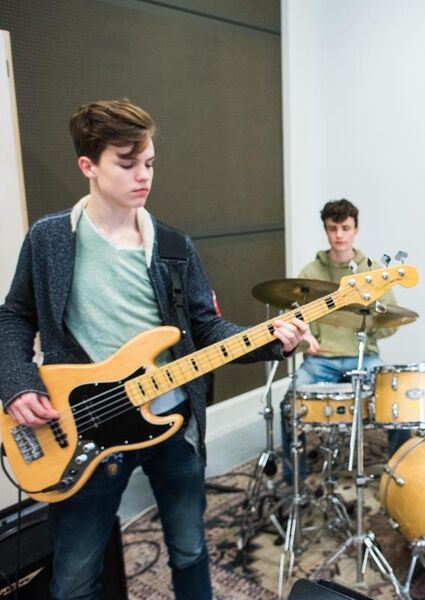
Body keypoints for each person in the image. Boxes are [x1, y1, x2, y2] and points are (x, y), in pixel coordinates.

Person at [0, 99, 307, 600]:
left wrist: (268, 339)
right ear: (88, 166)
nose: (143, 176)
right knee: (74, 578)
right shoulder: (49, 240)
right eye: (127, 163)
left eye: (148, 163)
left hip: (172, 425)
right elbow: (13, 316)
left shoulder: (173, 246)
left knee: (189, 550)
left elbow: (206, 329)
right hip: (83, 430)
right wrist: (17, 383)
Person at [280, 199, 408, 483]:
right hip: (320, 359)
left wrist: (370, 328)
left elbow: (393, 319)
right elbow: (295, 321)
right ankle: (294, 479)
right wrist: (305, 337)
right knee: (288, 404)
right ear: (326, 230)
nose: (339, 235)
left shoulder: (372, 272)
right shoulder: (310, 274)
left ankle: (400, 471)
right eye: (333, 228)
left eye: (345, 228)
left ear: (355, 230)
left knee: (398, 398)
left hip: (363, 357)